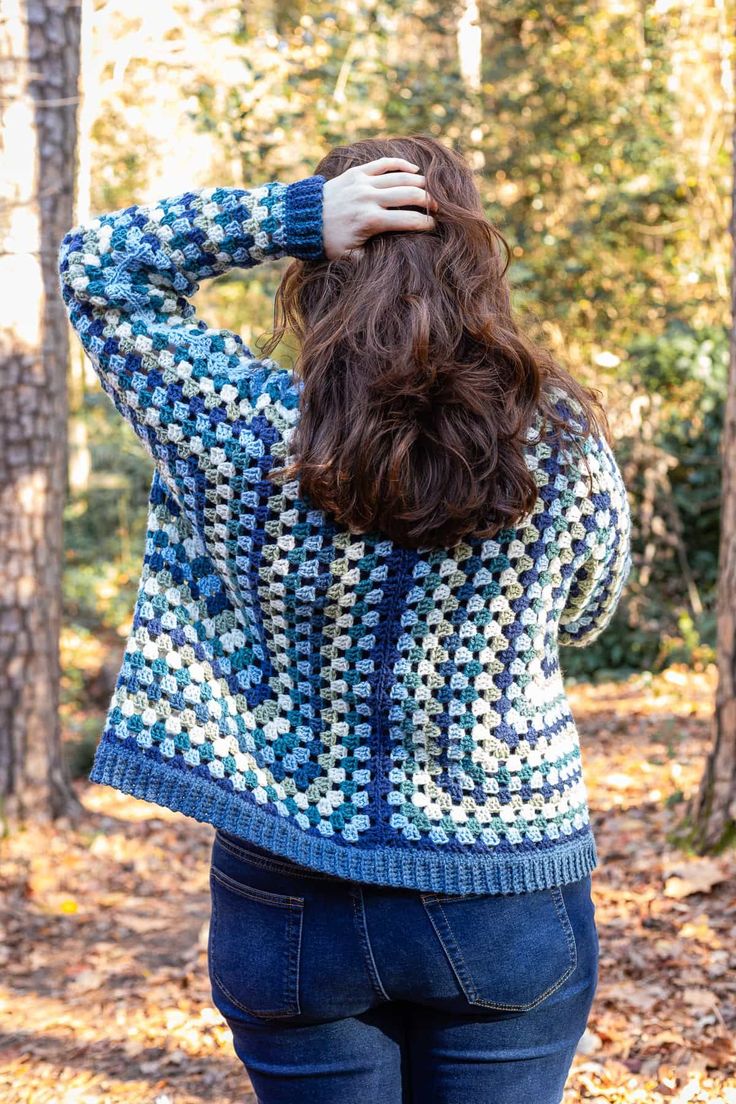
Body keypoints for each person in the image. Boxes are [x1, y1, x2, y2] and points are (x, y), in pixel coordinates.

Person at [58, 133, 632, 1104]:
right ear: (470, 259)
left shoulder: (238, 428)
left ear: (321, 271)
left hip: (288, 898)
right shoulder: (557, 444)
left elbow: (100, 268)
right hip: (501, 886)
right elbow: (589, 609)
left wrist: (293, 217)